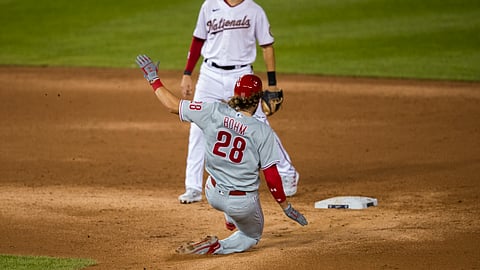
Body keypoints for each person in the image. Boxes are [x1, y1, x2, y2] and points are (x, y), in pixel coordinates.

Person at [136, 54, 307, 254]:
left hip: (212, 192)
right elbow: (272, 178)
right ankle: (217, 246)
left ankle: (230, 218)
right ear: (257, 100)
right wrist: (287, 208)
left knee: (225, 183)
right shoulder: (262, 132)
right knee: (251, 235)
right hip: (241, 202)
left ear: (235, 95)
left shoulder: (213, 111)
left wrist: (153, 79)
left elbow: (173, 105)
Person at [178, 0, 300, 204]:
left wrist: (272, 84)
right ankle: (193, 187)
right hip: (210, 75)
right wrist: (187, 73)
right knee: (197, 126)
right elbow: (198, 40)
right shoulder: (209, 5)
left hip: (242, 75)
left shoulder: (254, 11)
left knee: (259, 125)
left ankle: (287, 173)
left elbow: (267, 46)